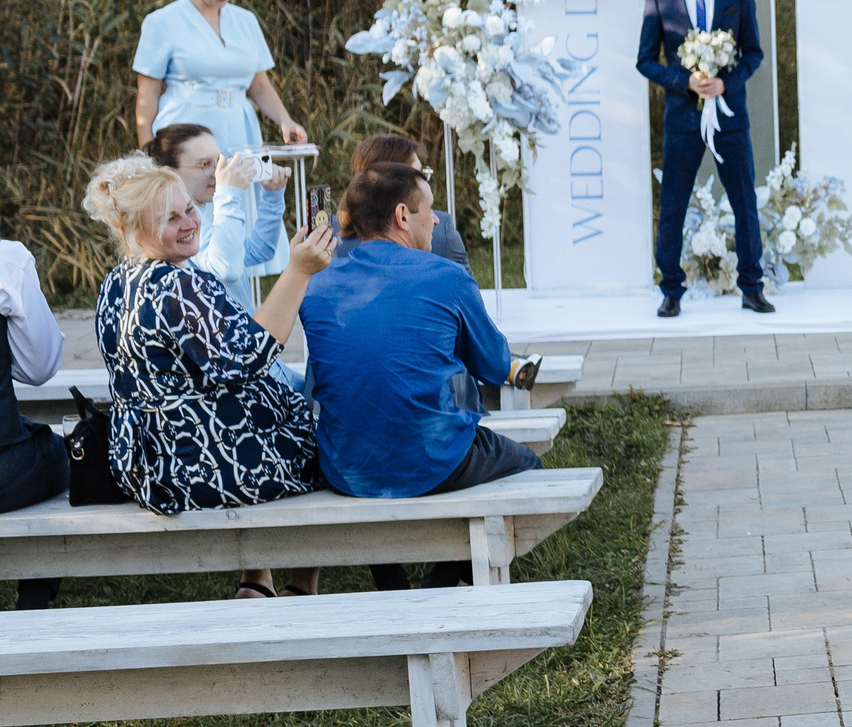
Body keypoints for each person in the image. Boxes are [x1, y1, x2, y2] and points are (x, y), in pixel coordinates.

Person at [85, 156, 331, 597]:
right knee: (326, 444)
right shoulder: (175, 284)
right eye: (170, 218)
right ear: (131, 229)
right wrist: (298, 271)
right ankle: (300, 585)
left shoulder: (118, 281)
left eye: (190, 210)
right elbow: (250, 355)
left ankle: (258, 579)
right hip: (193, 463)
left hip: (139, 458)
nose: (189, 223)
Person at [302, 162, 540, 589]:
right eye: (429, 209)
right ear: (401, 216)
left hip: (344, 464)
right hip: (435, 458)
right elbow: (492, 363)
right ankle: (442, 583)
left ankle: (394, 588)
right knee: (531, 466)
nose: (435, 220)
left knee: (377, 466)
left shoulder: (316, 282)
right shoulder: (447, 277)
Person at [131, 0, 309, 281]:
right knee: (193, 212)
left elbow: (259, 85)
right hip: (186, 132)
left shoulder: (245, 21)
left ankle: (240, 295)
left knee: (238, 210)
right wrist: (147, 150)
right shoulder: (162, 22)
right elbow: (147, 94)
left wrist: (285, 120)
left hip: (239, 128)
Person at [639, 0, 769, 317]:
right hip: (682, 120)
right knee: (674, 204)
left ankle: (752, 287)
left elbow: (754, 54)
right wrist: (685, 82)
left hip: (730, 119)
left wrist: (725, 83)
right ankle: (671, 291)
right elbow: (646, 61)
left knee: (744, 203)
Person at [143, 122, 287, 315]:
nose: (218, 172)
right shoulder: (182, 224)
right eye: (205, 165)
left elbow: (260, 251)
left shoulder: (207, 211)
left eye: (219, 161)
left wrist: (272, 196)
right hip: (217, 337)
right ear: (170, 173)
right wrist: (229, 193)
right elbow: (226, 268)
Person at [1, 236, 70, 610]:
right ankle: (34, 598)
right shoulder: (7, 261)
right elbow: (39, 367)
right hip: (4, 472)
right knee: (61, 454)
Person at [348, 134, 471, 267]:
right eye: (417, 174)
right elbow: (463, 284)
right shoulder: (442, 234)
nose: (422, 181)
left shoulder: (329, 241)